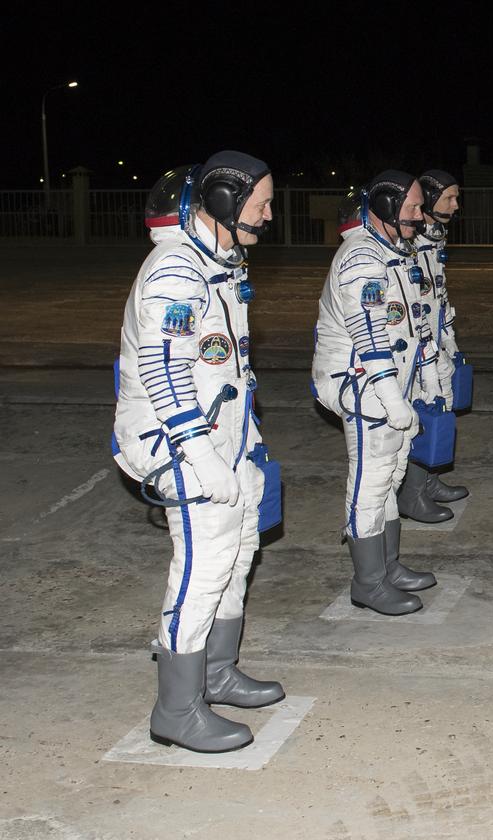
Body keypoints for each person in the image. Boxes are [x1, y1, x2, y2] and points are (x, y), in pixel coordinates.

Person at [114, 151, 284, 753]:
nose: (268, 215)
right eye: (260, 203)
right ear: (221, 203)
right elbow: (164, 371)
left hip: (221, 436)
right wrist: (199, 454)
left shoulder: (214, 264)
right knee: (202, 565)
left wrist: (244, 439)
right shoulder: (176, 273)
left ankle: (215, 672)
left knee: (238, 553)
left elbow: (222, 366)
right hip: (179, 442)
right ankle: (176, 708)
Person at [312, 171, 437, 616]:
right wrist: (392, 397)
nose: (419, 216)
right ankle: (368, 582)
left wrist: (422, 383)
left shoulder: (392, 251)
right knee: (370, 480)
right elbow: (368, 336)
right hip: (363, 386)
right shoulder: (362, 258)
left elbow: (411, 323)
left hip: (391, 383)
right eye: (412, 208)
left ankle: (387, 565)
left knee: (391, 474)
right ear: (383, 207)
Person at [398, 169, 470, 523]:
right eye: (449, 198)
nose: (455, 205)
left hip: (435, 341)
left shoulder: (433, 238)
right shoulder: (409, 242)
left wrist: (448, 341)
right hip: (413, 348)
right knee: (422, 412)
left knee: (443, 405)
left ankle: (430, 480)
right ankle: (412, 495)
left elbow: (436, 296)